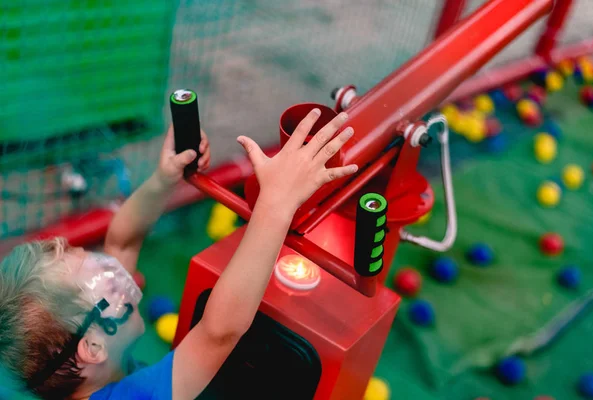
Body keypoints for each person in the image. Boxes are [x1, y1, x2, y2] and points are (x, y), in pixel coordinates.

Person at [0, 108, 356, 399]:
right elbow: (219, 331)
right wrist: (276, 203)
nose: (110, 264)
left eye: (90, 254)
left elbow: (121, 242)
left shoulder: (86, 365)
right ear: (92, 347)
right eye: (98, 274)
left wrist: (162, 179)